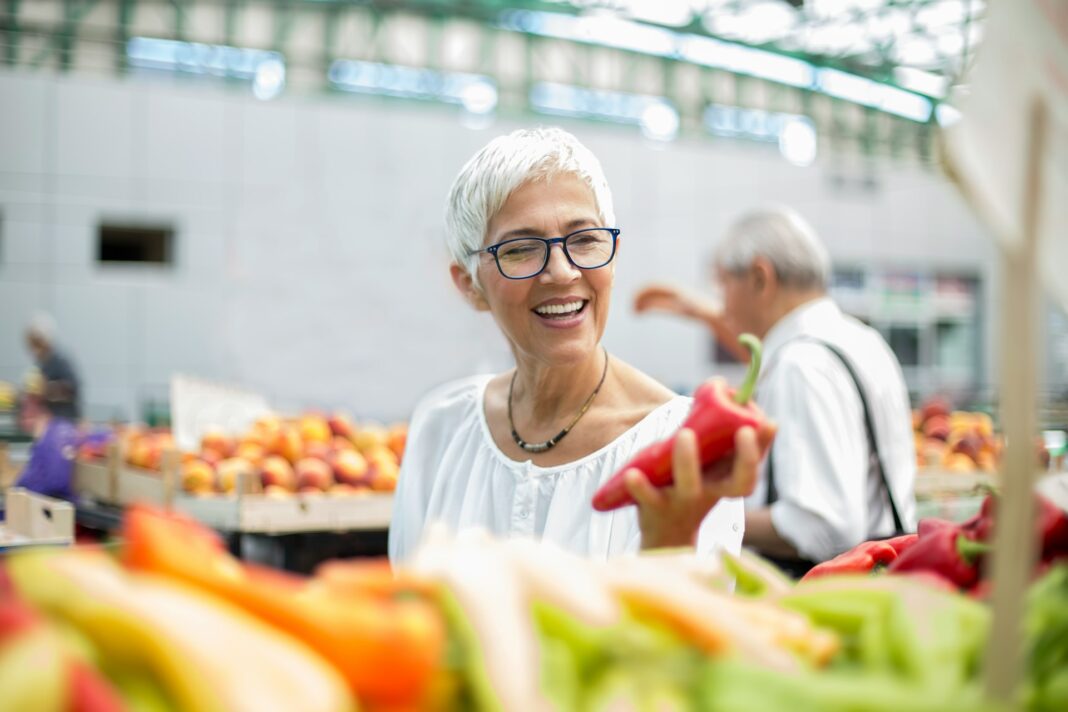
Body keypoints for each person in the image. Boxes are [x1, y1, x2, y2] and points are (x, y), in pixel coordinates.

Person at [389, 128, 774, 562]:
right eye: (521, 249)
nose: (562, 271)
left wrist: (671, 537)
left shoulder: (679, 444)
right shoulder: (443, 427)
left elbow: (692, 623)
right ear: (470, 285)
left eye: (585, 240)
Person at [634, 206, 916, 575]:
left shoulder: (799, 364)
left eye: (723, 284)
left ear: (759, 278)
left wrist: (705, 513)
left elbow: (822, 527)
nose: (722, 303)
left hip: (820, 597)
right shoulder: (862, 341)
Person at [25, 313, 81, 422]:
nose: (35, 349)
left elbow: (73, 388)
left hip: (65, 420)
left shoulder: (61, 361)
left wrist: (46, 389)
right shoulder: (41, 363)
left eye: (37, 343)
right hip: (48, 420)